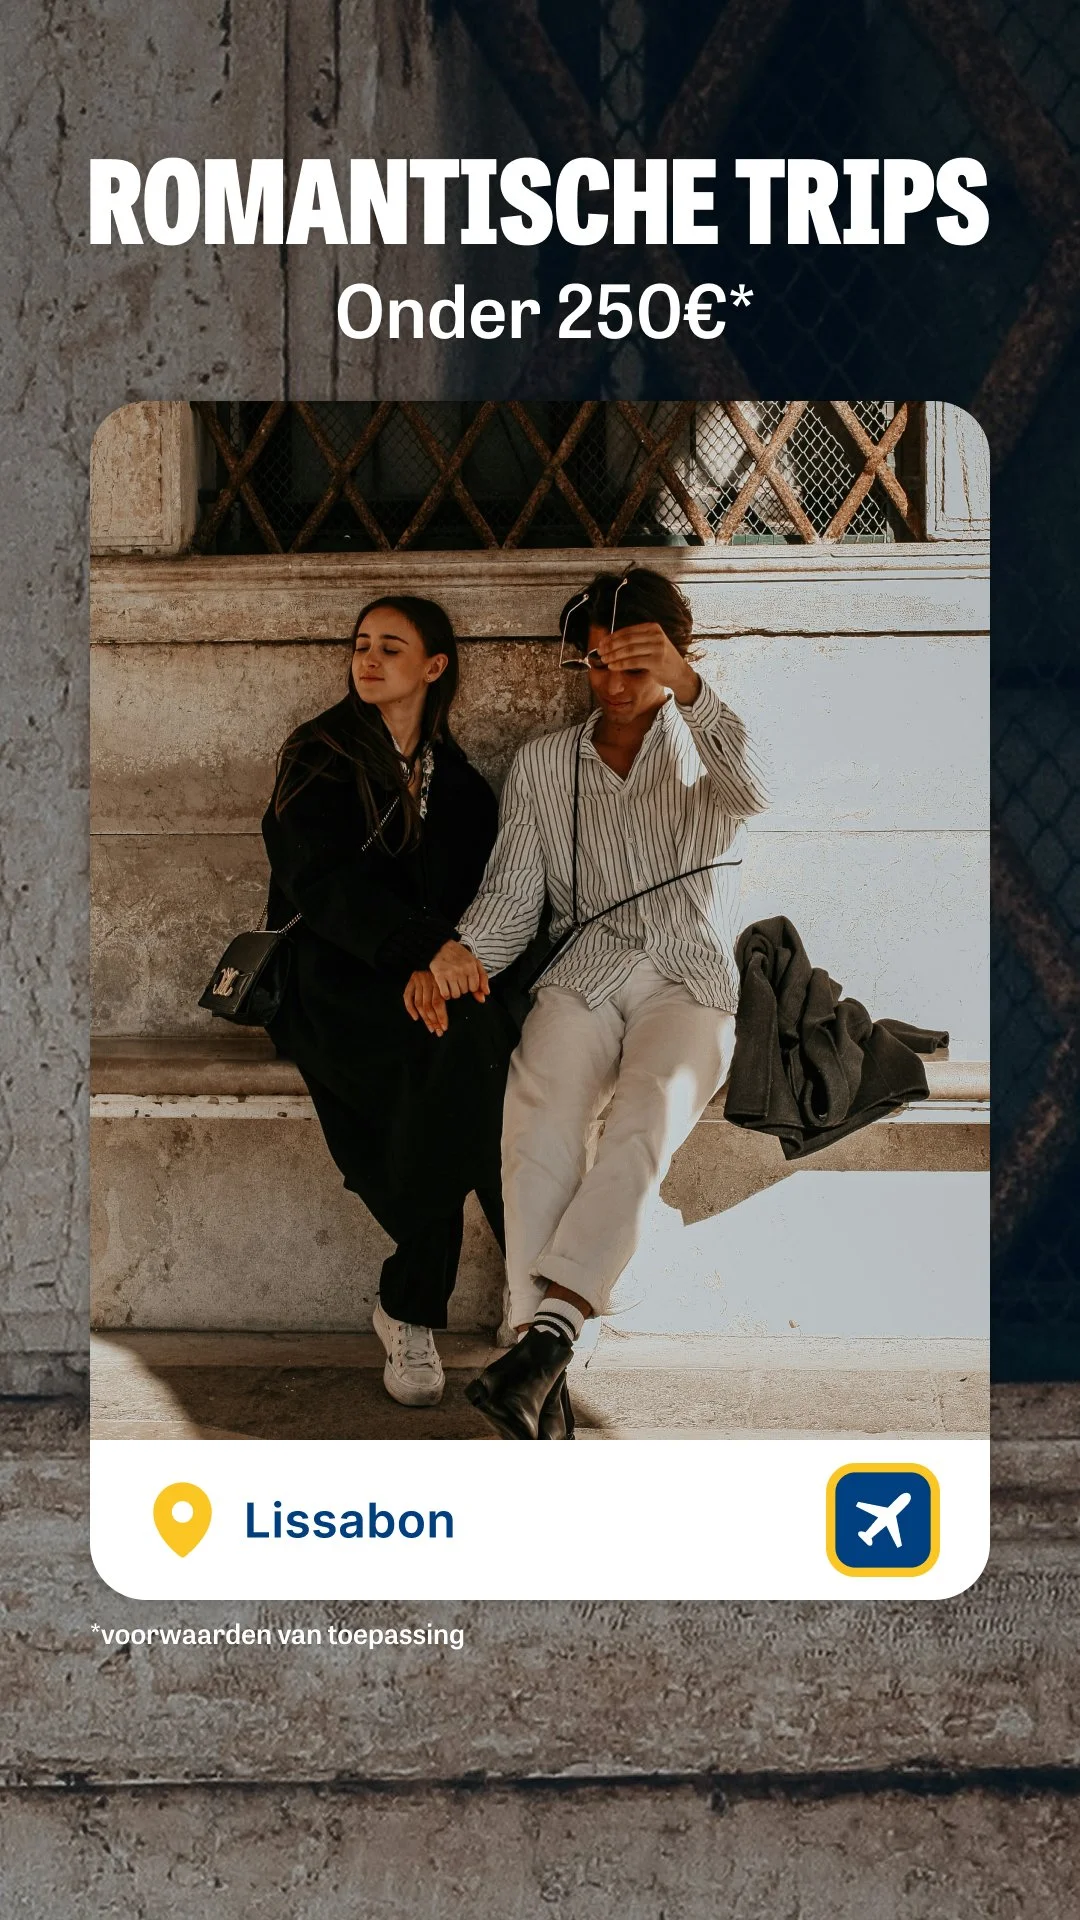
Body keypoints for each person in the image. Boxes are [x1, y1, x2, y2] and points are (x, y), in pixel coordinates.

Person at [420, 567, 771, 1438]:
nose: (615, 687)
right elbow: (513, 896)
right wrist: (460, 957)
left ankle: (543, 1343)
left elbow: (759, 791)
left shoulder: (705, 743)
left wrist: (689, 689)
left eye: (636, 668)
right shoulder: (546, 764)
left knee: (648, 1114)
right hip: (584, 969)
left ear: (678, 659)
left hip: (690, 975)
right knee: (537, 1107)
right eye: (600, 667)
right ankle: (540, 1350)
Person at [261, 596, 515, 1414]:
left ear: (434, 668)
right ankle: (533, 1291)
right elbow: (318, 883)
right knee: (450, 1082)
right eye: (362, 646)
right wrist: (418, 953)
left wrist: (432, 966)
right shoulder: (320, 753)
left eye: (390, 649)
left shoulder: (463, 784)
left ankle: (410, 1307)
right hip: (328, 982)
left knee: (473, 1042)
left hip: (413, 982)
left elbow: (469, 897)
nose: (367, 660)